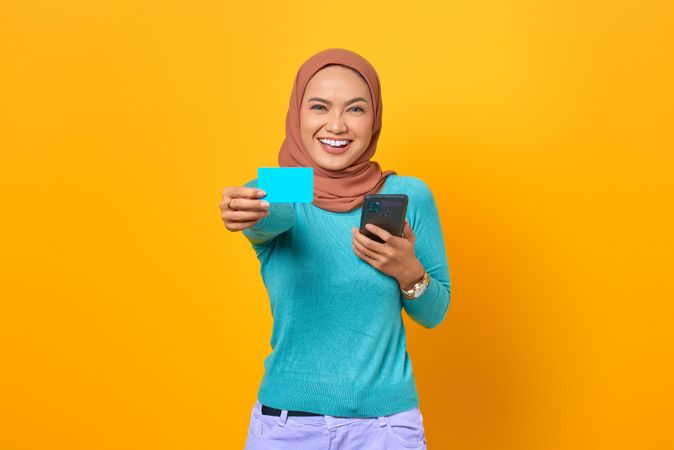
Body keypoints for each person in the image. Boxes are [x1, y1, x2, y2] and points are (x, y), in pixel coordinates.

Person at [219, 48, 451, 449]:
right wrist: (249, 212)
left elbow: (434, 314)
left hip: (386, 430)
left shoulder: (406, 194)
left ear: (374, 118)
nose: (337, 125)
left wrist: (407, 270)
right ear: (298, 114)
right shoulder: (284, 187)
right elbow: (271, 216)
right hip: (288, 430)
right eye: (319, 107)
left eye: (356, 110)